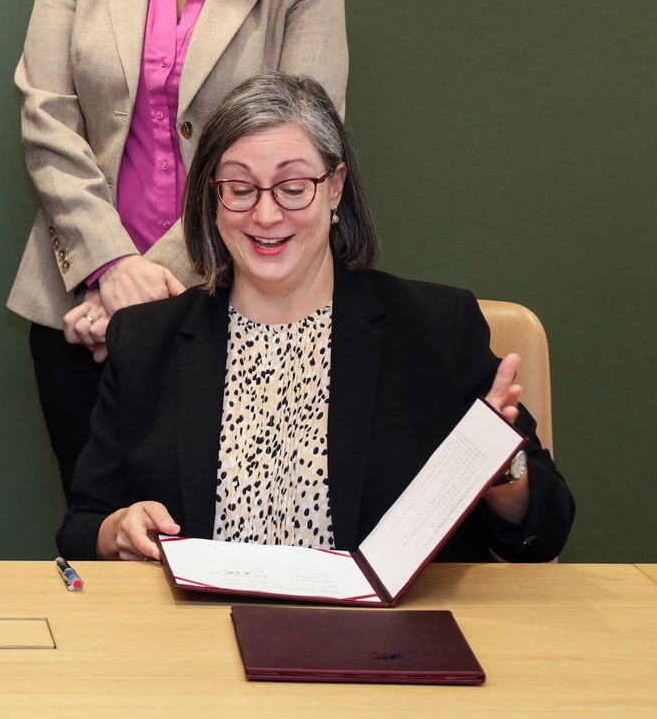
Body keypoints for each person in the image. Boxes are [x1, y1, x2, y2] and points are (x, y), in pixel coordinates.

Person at [9, 0, 349, 499]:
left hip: (239, 305)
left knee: (222, 535)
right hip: (78, 314)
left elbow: (293, 152)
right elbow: (46, 114)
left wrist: (148, 283)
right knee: (100, 532)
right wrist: (106, 269)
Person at [57, 72, 573, 563]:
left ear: (335, 187)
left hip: (384, 641)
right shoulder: (148, 340)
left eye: (293, 186)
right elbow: (82, 528)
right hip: (199, 636)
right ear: (213, 198)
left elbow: (543, 532)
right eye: (240, 189)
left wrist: (499, 464)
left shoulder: (435, 328)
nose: (265, 215)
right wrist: (118, 530)